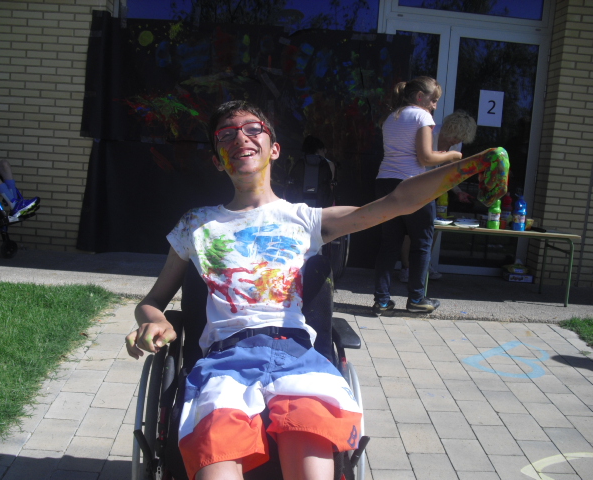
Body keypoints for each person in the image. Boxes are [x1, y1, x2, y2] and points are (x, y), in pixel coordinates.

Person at [125, 100, 508, 480]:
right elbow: (153, 301)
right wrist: (155, 321)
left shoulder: (305, 220)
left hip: (296, 359)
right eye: (226, 134)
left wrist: (474, 164)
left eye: (253, 129)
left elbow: (398, 201)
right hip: (225, 362)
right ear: (216, 159)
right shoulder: (196, 225)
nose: (241, 137)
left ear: (274, 148)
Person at [373, 77, 463, 316]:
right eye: (433, 100)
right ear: (420, 97)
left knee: (389, 243)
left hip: (385, 182)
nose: (435, 106)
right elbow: (425, 158)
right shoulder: (422, 116)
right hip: (413, 184)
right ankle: (416, 299)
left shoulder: (391, 118)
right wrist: (453, 156)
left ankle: (382, 301)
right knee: (421, 243)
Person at [398, 110, 478, 283]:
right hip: (413, 183)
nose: (456, 141)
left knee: (433, 227)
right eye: (455, 137)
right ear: (448, 129)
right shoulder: (429, 133)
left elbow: (450, 172)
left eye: (460, 139)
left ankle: (424, 265)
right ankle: (406, 267)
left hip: (433, 189)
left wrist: (458, 191)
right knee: (409, 230)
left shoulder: (456, 144)